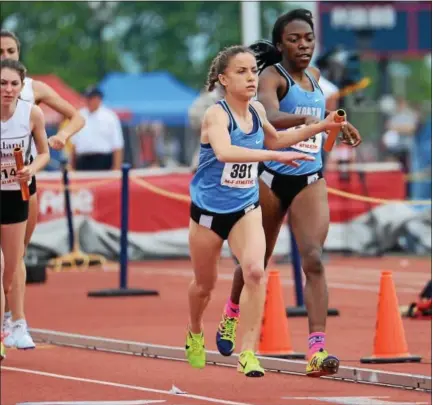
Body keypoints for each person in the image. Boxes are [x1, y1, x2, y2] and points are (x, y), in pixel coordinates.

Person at [215, 9, 362, 378]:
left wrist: (338, 125)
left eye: (308, 39)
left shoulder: (314, 77)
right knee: (255, 262)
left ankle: (316, 350)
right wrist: (308, 121)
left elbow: (320, 114)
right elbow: (271, 117)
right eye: (295, 39)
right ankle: (231, 315)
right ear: (280, 44)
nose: (303, 45)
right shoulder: (270, 77)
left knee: (313, 258)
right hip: (270, 178)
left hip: (309, 177)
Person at [186, 44, 345, 377]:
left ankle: (249, 352)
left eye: (254, 71)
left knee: (256, 271)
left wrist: (321, 126)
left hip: (245, 208)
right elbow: (226, 153)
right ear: (223, 80)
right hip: (209, 213)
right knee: (204, 285)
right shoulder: (216, 115)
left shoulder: (257, 111)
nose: (251, 78)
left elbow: (277, 141)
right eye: (241, 72)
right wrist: (274, 158)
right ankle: (196, 330)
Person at [0, 30, 85, 350]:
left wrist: (63, 137)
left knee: (16, 254)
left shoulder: (34, 89)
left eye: (11, 49)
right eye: (0, 51)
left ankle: (15, 320)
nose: (5, 55)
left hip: (23, 179)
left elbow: (75, 116)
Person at [1, 59, 50, 360]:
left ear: (22, 86)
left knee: (10, 268)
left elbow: (44, 153)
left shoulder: (32, 114)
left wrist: (31, 168)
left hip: (15, 196)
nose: (7, 90)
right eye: (2, 83)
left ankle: (14, 321)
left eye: (13, 84)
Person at [70, 87, 124, 171]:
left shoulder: (110, 116)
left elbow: (117, 144)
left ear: (98, 99)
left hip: (103, 161)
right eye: (87, 98)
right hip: (82, 161)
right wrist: (72, 166)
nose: (88, 101)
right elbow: (74, 144)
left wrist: (116, 167)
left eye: (91, 98)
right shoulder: (79, 115)